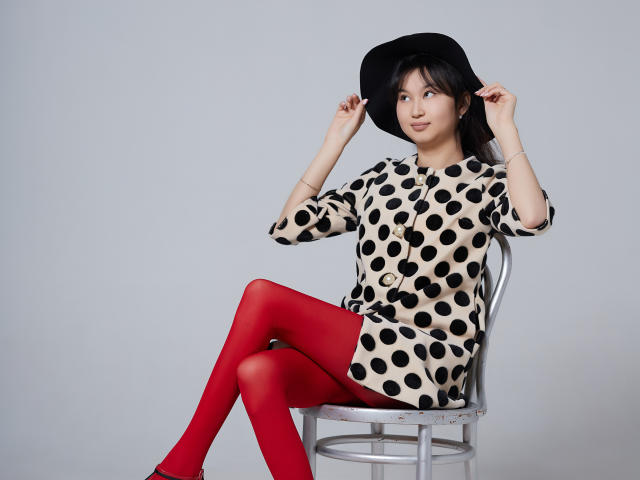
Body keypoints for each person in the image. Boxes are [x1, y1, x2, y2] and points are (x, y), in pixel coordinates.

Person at [144, 32, 555, 480]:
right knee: (257, 371)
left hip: (424, 363)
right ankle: (186, 468)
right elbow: (289, 227)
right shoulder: (382, 179)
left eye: (429, 94)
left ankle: (180, 468)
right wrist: (335, 142)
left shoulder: (487, 183)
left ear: (461, 104)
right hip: (359, 355)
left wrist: (506, 130)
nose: (414, 109)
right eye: (404, 97)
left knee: (262, 295)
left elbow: (533, 217)